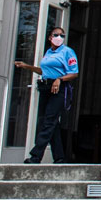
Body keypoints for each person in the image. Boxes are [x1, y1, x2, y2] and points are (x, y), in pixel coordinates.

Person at [15, 25, 78, 164]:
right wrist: (26, 66)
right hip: (46, 87)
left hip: (59, 88)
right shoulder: (49, 52)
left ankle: (36, 156)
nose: (59, 38)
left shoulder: (67, 52)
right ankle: (59, 157)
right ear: (50, 37)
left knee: (48, 121)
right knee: (50, 122)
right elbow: (44, 71)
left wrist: (59, 79)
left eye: (62, 35)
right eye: (56, 35)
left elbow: (74, 72)